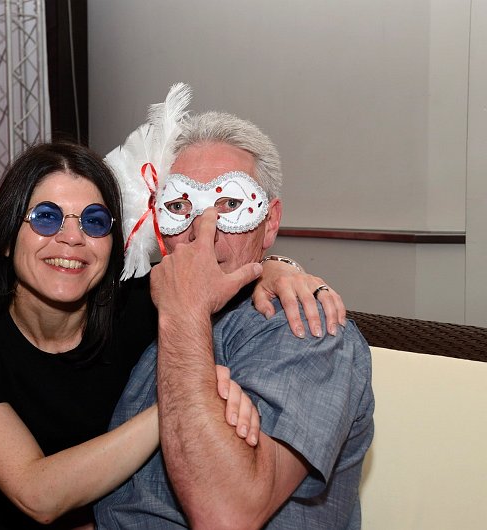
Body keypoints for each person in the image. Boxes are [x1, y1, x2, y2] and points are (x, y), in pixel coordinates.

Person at [0, 141, 346, 528]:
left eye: (94, 222)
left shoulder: (141, 303)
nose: (71, 238)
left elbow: (212, 274)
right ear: (8, 236)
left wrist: (278, 267)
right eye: (46, 218)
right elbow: (37, 494)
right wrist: (183, 401)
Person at [94, 107, 375, 529]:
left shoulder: (305, 329)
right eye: (179, 205)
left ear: (269, 223)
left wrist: (185, 313)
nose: (202, 231)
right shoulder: (141, 313)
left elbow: (226, 515)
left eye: (229, 204)